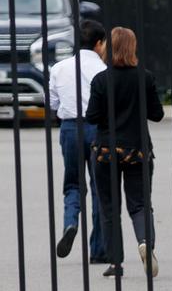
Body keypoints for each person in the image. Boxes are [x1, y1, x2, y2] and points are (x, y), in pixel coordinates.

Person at [86, 27, 164, 278]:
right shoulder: (146, 77)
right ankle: (144, 241)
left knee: (110, 208)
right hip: (138, 150)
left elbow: (92, 116)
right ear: (132, 47)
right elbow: (157, 114)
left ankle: (115, 262)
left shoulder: (100, 80)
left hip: (106, 151)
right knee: (140, 204)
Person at [49, 19, 107, 263]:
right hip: (97, 128)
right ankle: (98, 250)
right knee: (99, 187)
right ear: (99, 43)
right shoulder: (104, 70)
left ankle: (71, 222)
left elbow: (51, 103)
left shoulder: (59, 68)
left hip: (70, 128)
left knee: (73, 184)